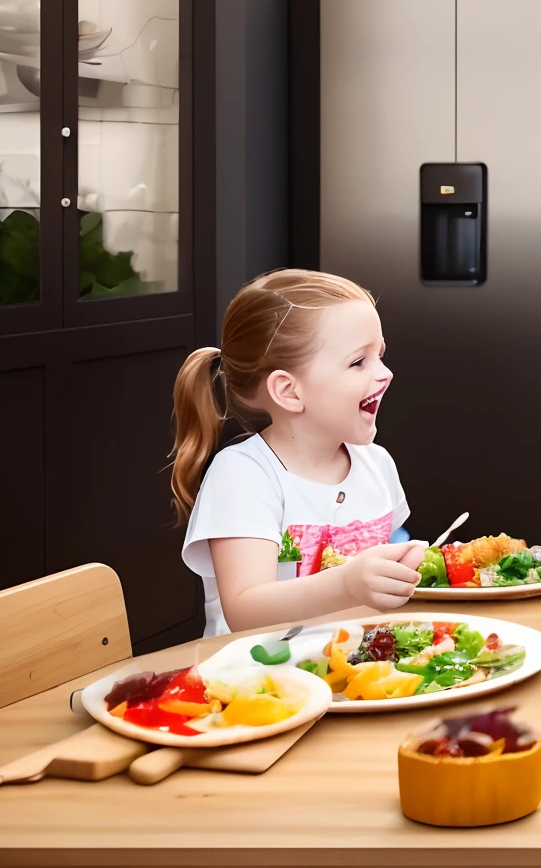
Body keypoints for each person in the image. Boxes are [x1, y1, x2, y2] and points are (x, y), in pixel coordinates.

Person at [172, 270, 425, 636]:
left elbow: (393, 547)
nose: (385, 374)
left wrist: (408, 562)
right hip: (261, 683)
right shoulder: (243, 475)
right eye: (358, 362)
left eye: (380, 355)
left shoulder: (377, 464)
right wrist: (346, 584)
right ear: (289, 392)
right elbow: (244, 608)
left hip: (356, 674)